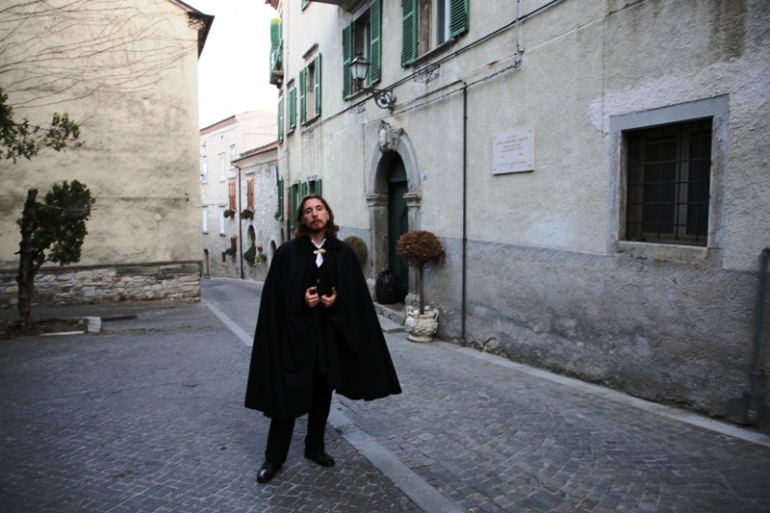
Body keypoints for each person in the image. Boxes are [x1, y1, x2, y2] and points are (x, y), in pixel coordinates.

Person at [244, 194, 402, 484]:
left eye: (319, 209)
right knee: (287, 397)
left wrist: (335, 301)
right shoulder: (288, 253)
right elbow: (275, 299)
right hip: (295, 341)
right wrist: (300, 298)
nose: (314, 214)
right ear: (302, 219)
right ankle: (273, 458)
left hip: (328, 340)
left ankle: (314, 447)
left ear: (328, 214)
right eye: (308, 211)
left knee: (322, 394)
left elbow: (355, 297)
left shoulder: (342, 253)